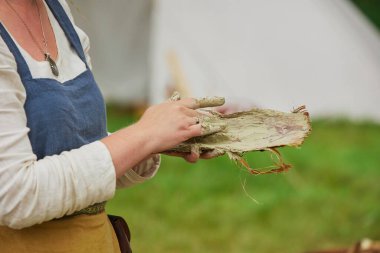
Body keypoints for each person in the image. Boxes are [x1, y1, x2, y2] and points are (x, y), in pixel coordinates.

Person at [0, 0, 221, 252]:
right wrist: (144, 135)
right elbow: (14, 195)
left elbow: (77, 152)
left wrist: (161, 137)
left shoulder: (55, 9)